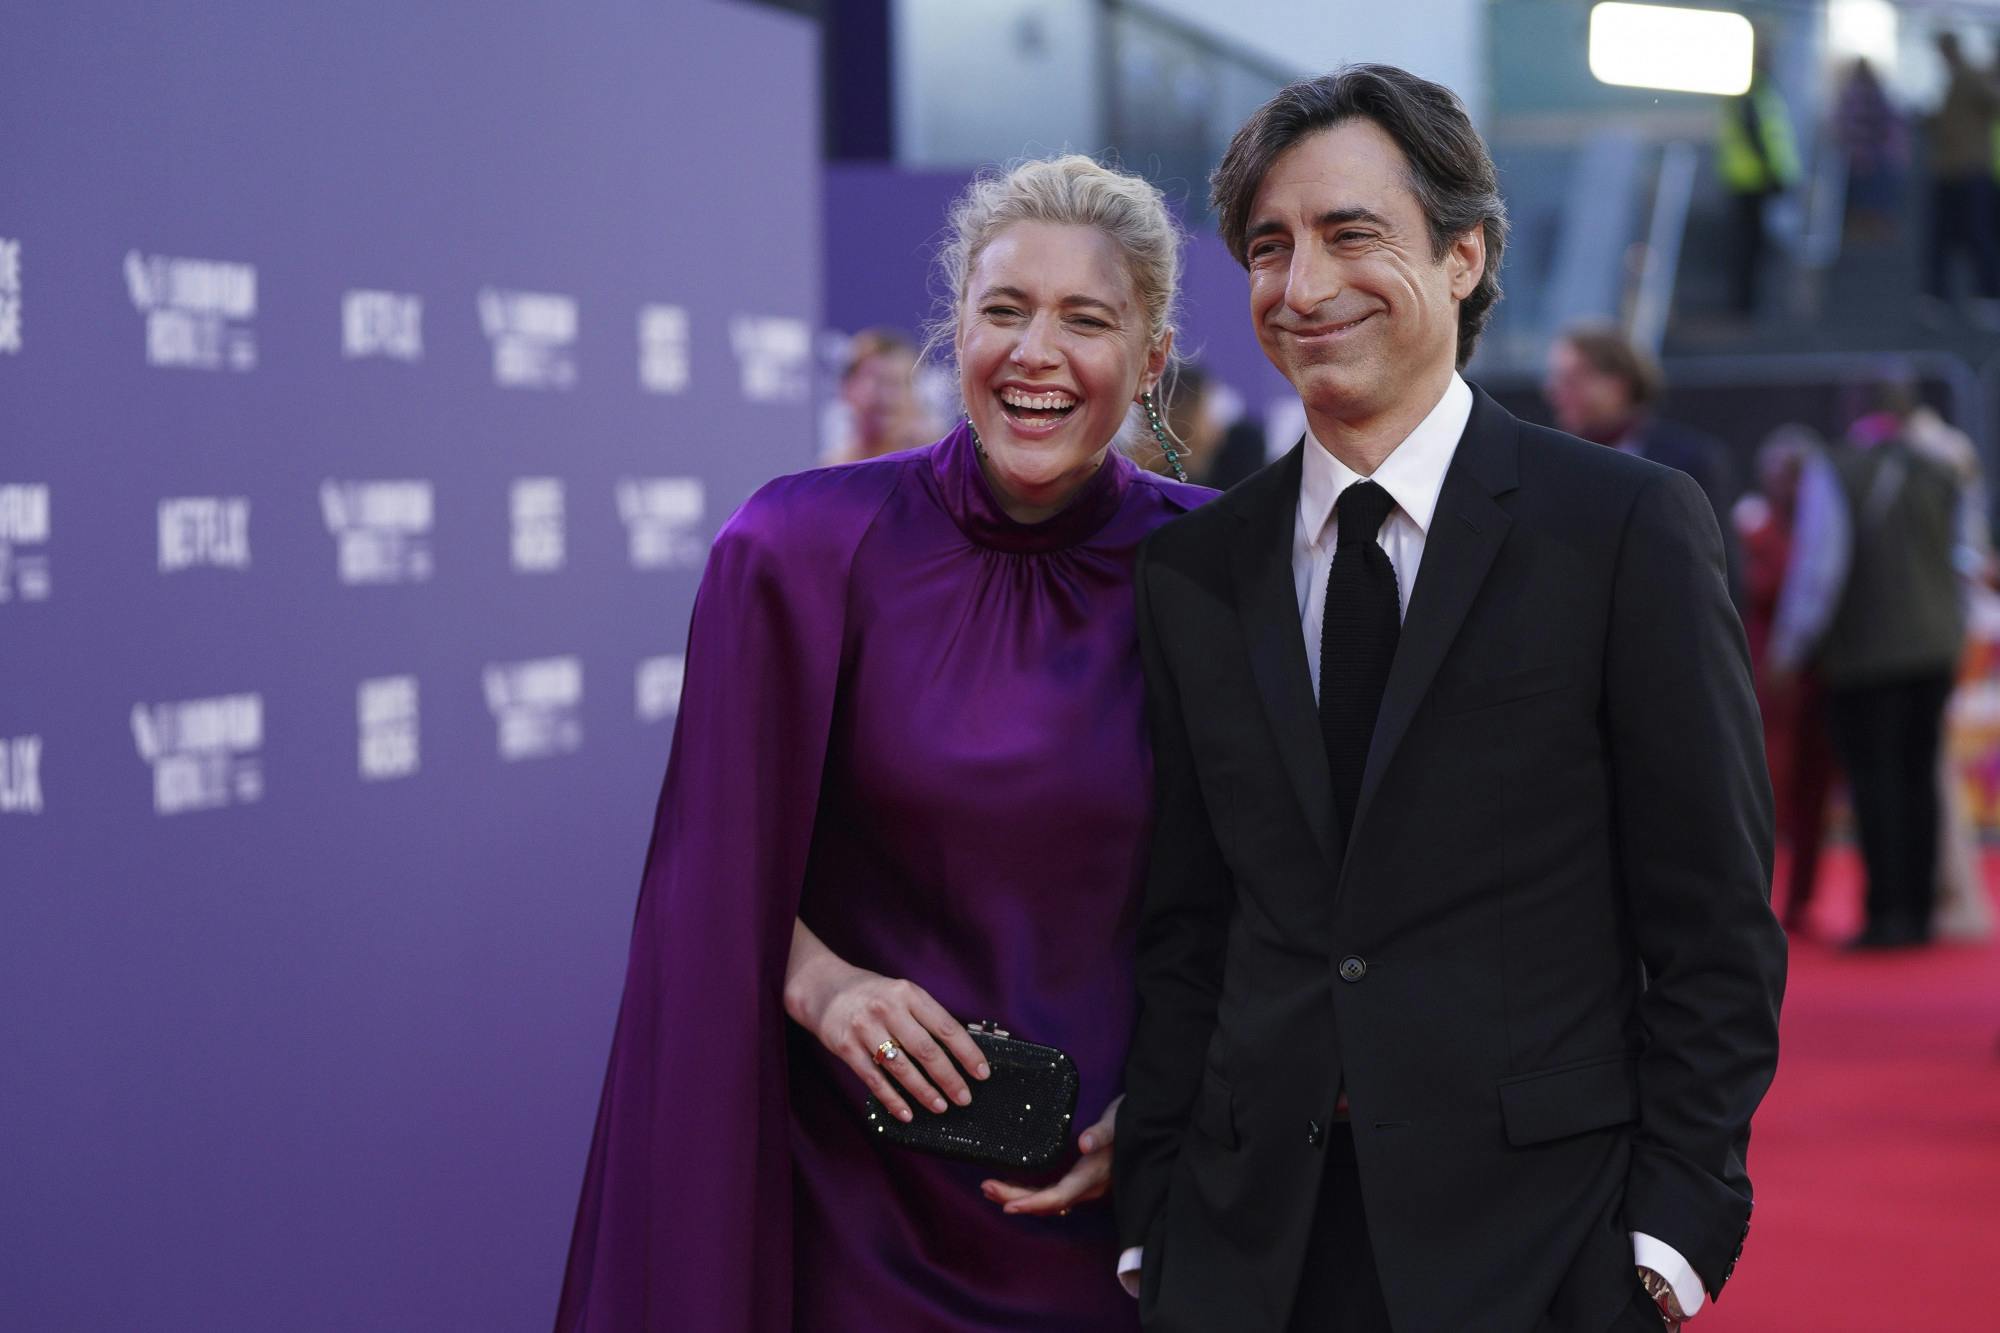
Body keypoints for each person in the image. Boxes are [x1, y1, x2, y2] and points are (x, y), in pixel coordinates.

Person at [1113, 66, 1786, 1333]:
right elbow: (1187, 922)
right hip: (1244, 1247)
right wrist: (1155, 1218)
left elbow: (1711, 918)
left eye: (1348, 233)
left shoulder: (1622, 528)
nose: (1302, 286)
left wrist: (1670, 1238)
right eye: (1268, 246)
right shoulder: (1193, 568)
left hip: (1541, 1248)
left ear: (1465, 253)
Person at [556, 155, 1210, 1331]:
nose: (1034, 353)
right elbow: (706, 866)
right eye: (1001, 310)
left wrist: (1178, 1098)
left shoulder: (1225, 573)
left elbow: (1293, 895)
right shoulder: (796, 550)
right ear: (953, 330)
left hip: (1121, 1219)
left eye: (1085, 319)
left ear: (1150, 358)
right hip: (846, 1212)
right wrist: (821, 981)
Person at [1780, 383, 1973, 949]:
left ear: (1853, 412)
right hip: (1935, 651)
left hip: (1866, 654)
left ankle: (1886, 913)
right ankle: (1919, 910)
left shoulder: (1834, 469)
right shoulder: (1943, 470)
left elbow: (1819, 569)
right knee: (1920, 777)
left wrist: (1789, 652)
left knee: (1876, 782)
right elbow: (1964, 558)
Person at [1543, 322, 1743, 601]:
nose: (1555, 391)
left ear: (1619, 383)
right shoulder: (1548, 465)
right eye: (1555, 379)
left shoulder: (1690, 460)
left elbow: (1720, 575)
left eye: (1573, 379)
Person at [1735, 427, 1839, 933]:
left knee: (1812, 792)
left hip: (1815, 678)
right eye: (1780, 473)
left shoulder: (1827, 528)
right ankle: (1755, 898)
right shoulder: (1752, 527)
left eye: (1796, 474)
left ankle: (1800, 901)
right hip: (1763, 676)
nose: (1788, 485)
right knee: (1762, 789)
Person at [1715, 42, 1799, 317]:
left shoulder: (1755, 91)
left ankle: (1747, 304)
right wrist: (1774, 174)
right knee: (1750, 246)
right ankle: (1745, 306)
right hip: (1754, 181)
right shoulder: (1752, 92)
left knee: (1752, 245)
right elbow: (1758, 137)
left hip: (1753, 180)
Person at [1923, 32, 2000, 315]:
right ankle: (1941, 297)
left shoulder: (1968, 76)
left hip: (1969, 169)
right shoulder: (1957, 79)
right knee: (1944, 238)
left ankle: (1987, 295)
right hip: (1951, 169)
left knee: (1978, 235)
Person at [827, 327, 936, 463]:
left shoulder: (937, 469)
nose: (888, 397)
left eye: (898, 383)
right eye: (879, 381)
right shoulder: (830, 475)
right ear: (848, 388)